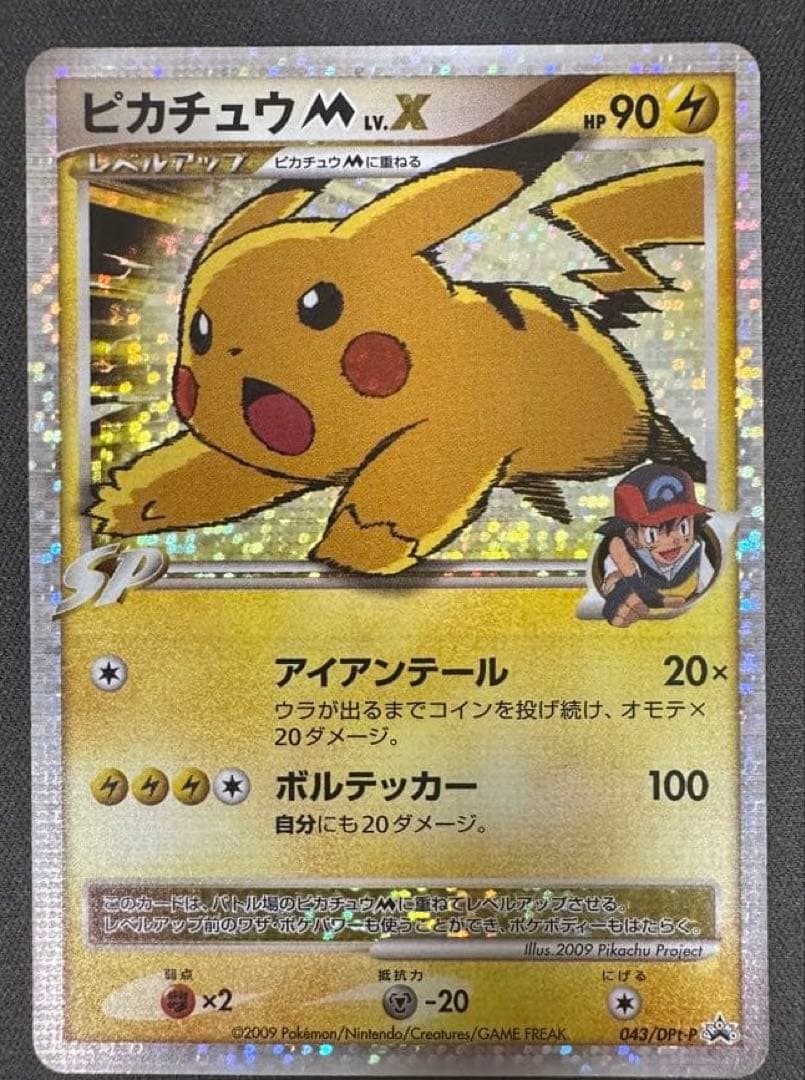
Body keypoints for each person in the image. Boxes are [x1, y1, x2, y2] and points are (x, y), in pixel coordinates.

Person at [597, 464, 716, 628]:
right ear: (632, 537)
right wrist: (620, 592)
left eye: (683, 528)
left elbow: (712, 591)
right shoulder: (626, 557)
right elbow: (613, 579)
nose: (673, 540)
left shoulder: (699, 552)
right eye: (652, 534)